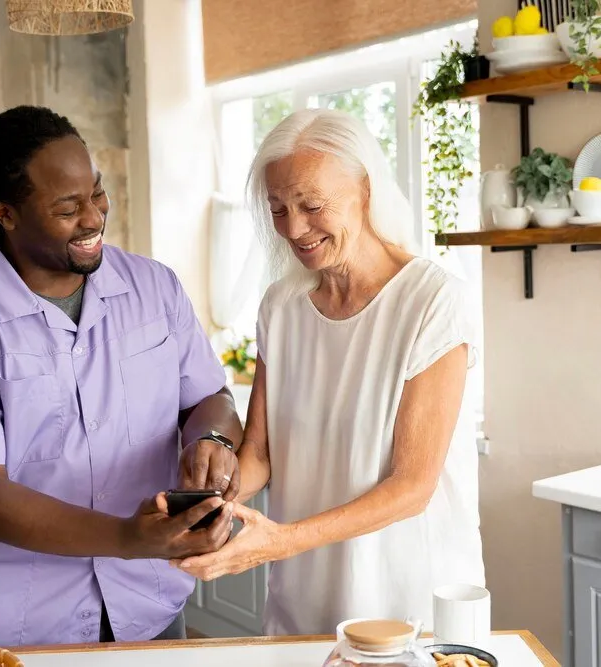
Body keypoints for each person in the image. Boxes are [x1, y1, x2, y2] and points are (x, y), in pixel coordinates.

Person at [0, 105, 244, 647]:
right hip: (12, 627)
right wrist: (127, 536)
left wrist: (212, 438)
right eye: (67, 207)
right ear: (5, 213)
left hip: (148, 603)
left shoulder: (155, 287)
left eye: (96, 194)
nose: (94, 217)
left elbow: (206, 399)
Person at [174, 108, 484, 635]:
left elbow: (412, 486)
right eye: (278, 209)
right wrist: (207, 503)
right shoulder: (281, 306)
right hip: (303, 597)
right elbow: (260, 455)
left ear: (365, 189)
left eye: (312, 205)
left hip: (405, 601)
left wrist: (281, 541)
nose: (294, 228)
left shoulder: (433, 300)